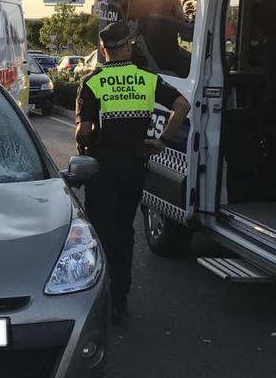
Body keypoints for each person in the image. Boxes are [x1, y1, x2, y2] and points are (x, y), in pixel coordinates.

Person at [75, 20, 191, 324]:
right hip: (134, 166)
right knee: (125, 232)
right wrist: (162, 141)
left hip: (102, 169)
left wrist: (84, 142)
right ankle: (119, 301)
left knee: (101, 235)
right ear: (128, 46)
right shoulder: (147, 80)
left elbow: (84, 131)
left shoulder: (92, 82)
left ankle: (99, 299)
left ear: (103, 49)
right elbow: (182, 105)